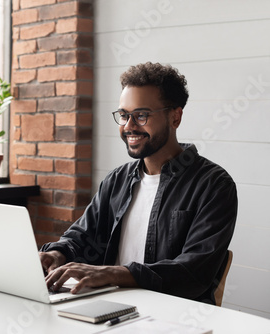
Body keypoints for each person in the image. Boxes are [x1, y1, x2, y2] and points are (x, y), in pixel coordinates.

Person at [40, 62, 237, 304]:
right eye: (124, 115)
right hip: (109, 308)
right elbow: (83, 237)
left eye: (141, 115)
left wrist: (114, 273)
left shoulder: (213, 185)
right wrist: (57, 254)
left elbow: (193, 272)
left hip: (171, 316)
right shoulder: (116, 180)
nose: (129, 126)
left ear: (175, 117)